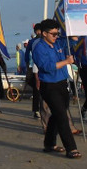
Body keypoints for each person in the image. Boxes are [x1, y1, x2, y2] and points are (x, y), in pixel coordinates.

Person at [32, 19, 81, 158]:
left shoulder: (58, 42)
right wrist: (66, 61)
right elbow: (46, 67)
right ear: (44, 34)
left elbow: (71, 43)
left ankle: (49, 143)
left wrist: (74, 35)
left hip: (62, 82)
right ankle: (71, 148)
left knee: (57, 114)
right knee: (62, 117)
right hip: (49, 85)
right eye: (53, 34)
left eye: (57, 33)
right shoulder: (39, 47)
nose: (55, 36)